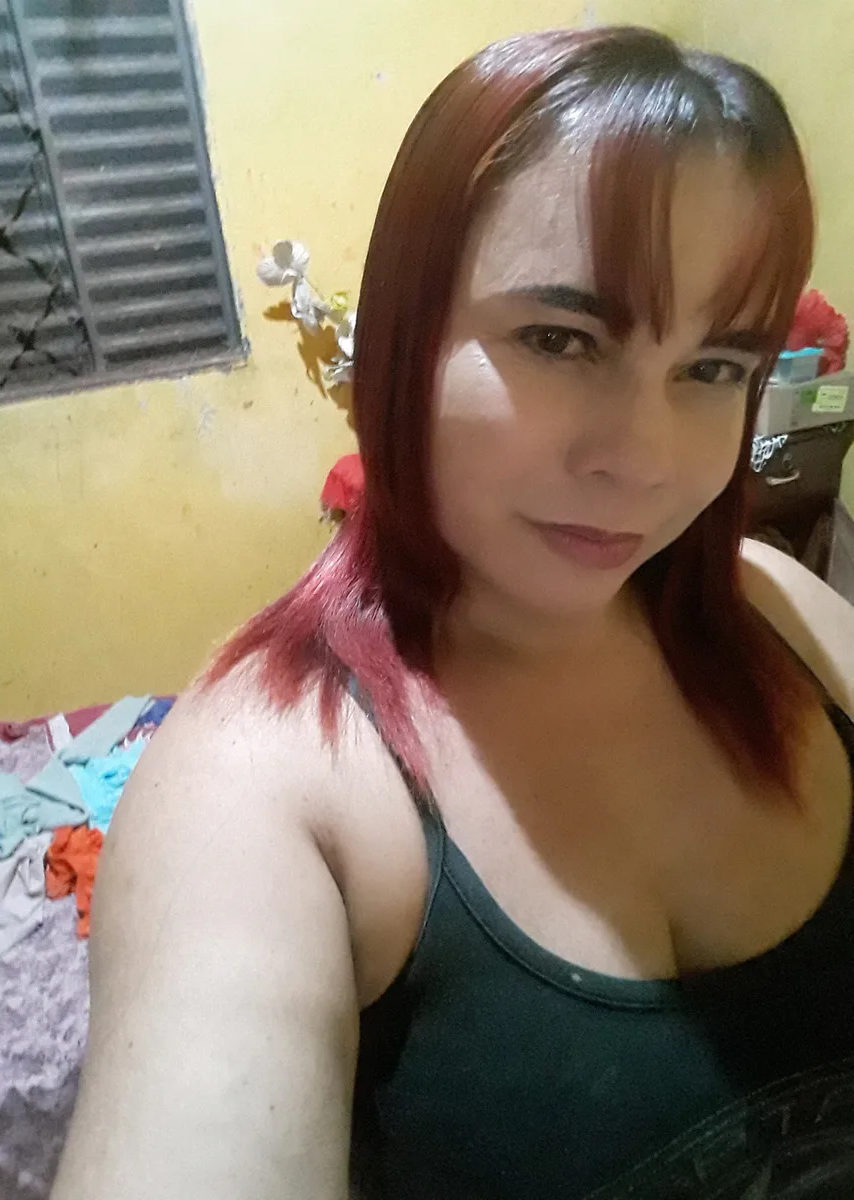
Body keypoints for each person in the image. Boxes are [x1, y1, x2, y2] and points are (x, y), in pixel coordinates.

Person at [51, 26, 854, 1200]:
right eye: (561, 339)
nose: (643, 459)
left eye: (714, 367)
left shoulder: (781, 613)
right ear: (406, 337)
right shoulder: (261, 786)